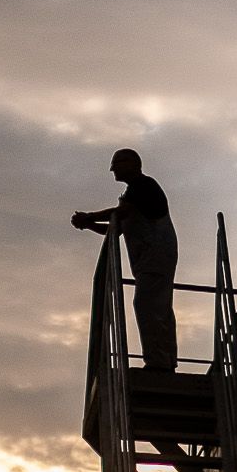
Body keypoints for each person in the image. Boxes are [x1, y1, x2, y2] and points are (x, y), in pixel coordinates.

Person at [73, 148, 179, 370]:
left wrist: (89, 217)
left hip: (155, 257)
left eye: (117, 163)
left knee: (149, 306)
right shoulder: (135, 193)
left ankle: (159, 362)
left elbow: (119, 215)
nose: (113, 169)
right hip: (149, 260)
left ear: (132, 163)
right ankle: (164, 360)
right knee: (157, 307)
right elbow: (114, 230)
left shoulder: (143, 186)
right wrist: (90, 225)